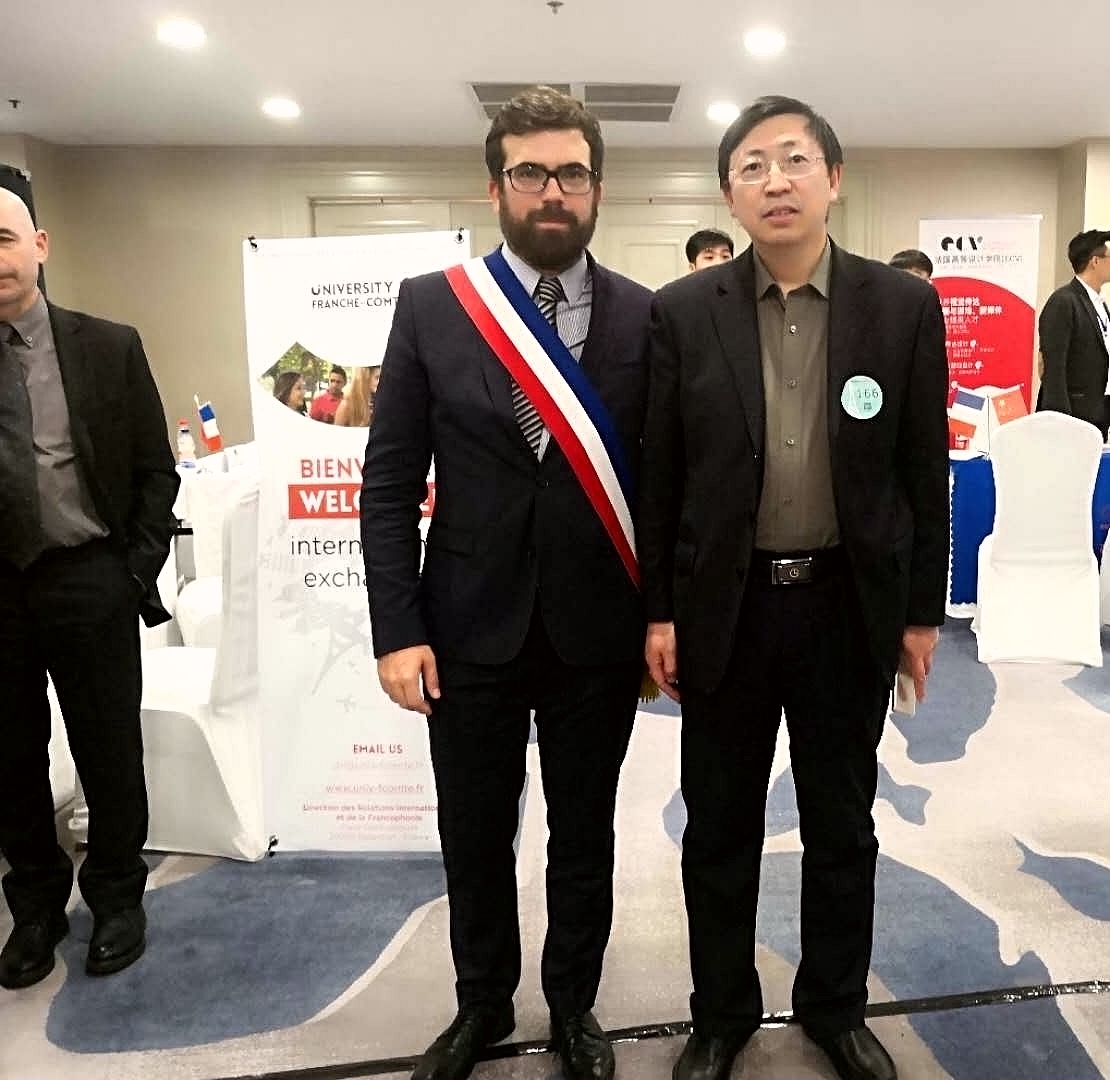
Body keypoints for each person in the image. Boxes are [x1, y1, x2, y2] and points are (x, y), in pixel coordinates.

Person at [639, 96, 949, 1080]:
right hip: (723, 610)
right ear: (729, 195)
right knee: (718, 824)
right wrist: (657, 609)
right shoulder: (683, 312)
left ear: (833, 178)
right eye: (752, 167)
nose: (776, 181)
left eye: (795, 160)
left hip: (843, 608)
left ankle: (834, 1007)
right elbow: (660, 475)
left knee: (841, 823)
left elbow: (922, 471)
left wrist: (922, 614)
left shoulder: (901, 308)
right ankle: (721, 1014)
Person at [359, 86, 652, 1080]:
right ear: (495, 188)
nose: (551, 191)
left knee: (584, 831)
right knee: (475, 832)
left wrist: (661, 616)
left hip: (596, 627)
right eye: (530, 172)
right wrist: (396, 628)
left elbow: (661, 482)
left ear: (597, 188)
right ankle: (482, 1003)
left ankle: (573, 1005)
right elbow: (389, 481)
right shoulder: (433, 305)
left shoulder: (645, 315)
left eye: (571, 173)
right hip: (465, 625)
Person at [0, 188, 178, 989]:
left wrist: (131, 573)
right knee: (9, 760)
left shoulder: (109, 345)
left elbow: (155, 471)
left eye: (2, 239)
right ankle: (36, 904)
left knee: (109, 752)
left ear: (39, 244)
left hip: (89, 577)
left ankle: (116, 898)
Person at [1036, 229, 1110, 440]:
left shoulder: (1098, 303)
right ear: (1095, 261)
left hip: (1099, 412)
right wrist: (1060, 421)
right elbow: (1054, 368)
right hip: (1072, 416)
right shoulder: (1064, 301)